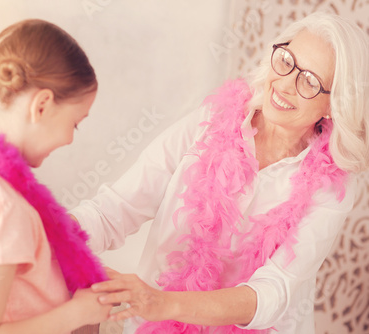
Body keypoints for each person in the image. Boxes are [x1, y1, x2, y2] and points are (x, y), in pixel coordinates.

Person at [70, 12, 369, 333]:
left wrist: (160, 302)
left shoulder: (332, 186)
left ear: (332, 105)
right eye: (286, 60)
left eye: (309, 81)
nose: (285, 83)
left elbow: (271, 292)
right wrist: (51, 234)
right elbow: (116, 209)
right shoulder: (210, 120)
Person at [0, 19, 111, 334]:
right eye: (76, 123)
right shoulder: (2, 207)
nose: (70, 138)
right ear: (42, 105)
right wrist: (77, 313)